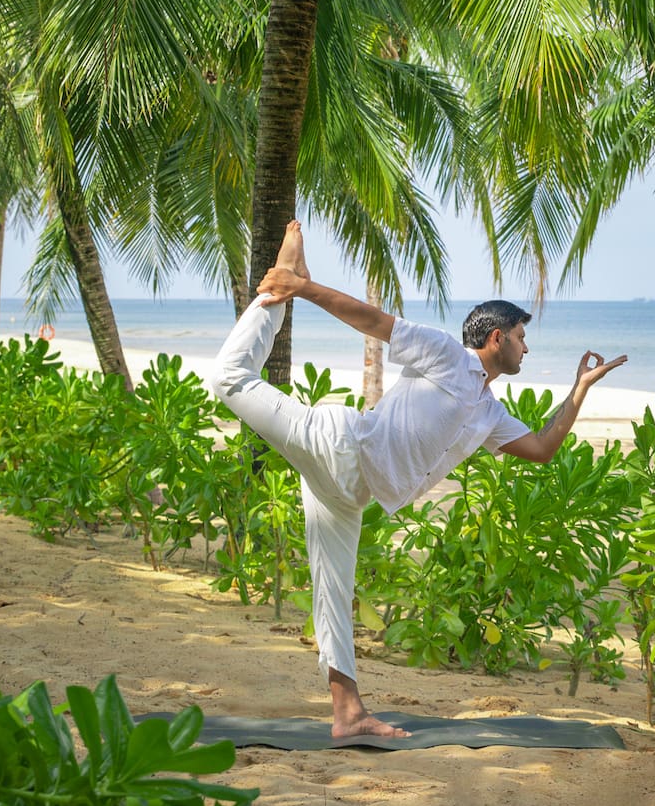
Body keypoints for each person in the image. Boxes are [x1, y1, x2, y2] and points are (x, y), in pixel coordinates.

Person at [209, 221, 626, 740]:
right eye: (522, 337)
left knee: (333, 592)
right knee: (227, 378)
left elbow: (542, 449)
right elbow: (372, 322)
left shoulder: (489, 413)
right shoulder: (447, 355)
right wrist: (303, 291)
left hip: (352, 493)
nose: (526, 348)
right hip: (338, 445)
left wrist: (580, 388)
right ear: (497, 338)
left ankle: (347, 714)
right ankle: (282, 284)